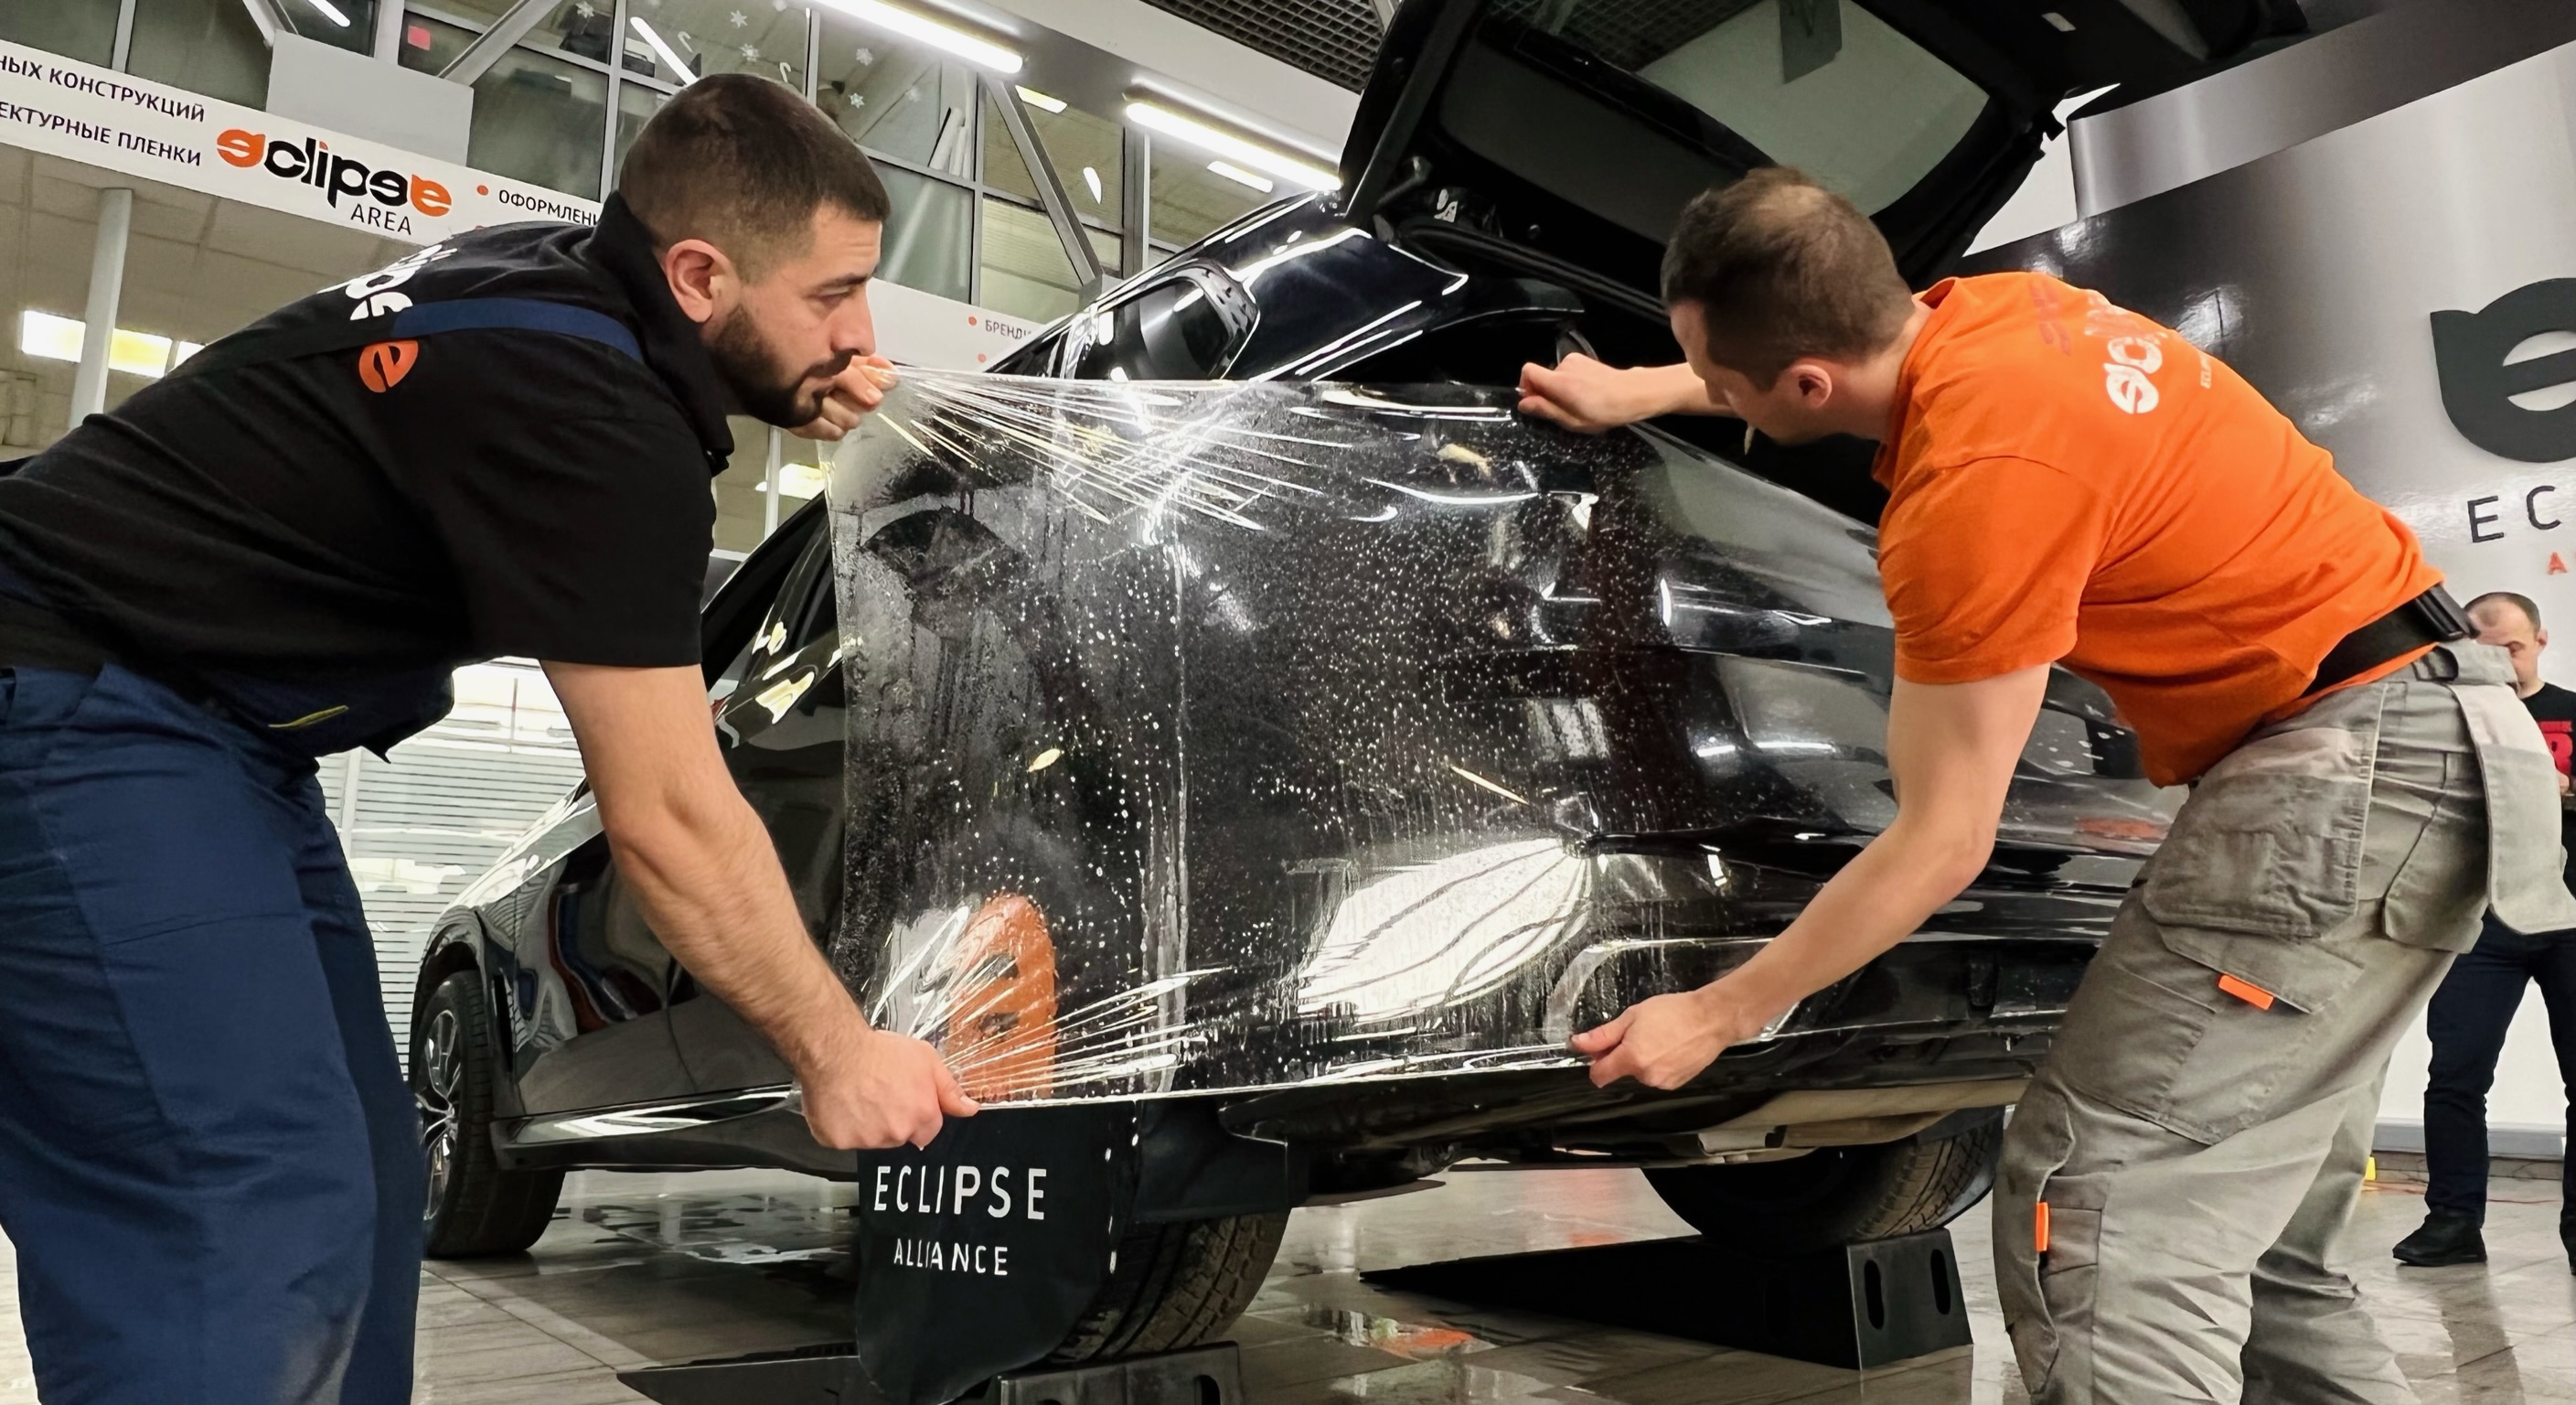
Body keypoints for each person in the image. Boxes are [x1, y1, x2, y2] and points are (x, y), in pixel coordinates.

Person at [1516, 167, 2574, 1403]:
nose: (1717, 390)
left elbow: (1943, 840)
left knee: (2098, 1210)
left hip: (2343, 781)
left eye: (1720, 375)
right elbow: (1793, 360)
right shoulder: (2007, 314)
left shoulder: (1972, 493)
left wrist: (1718, 1011)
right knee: (2264, 1242)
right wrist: (1641, 387)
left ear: (1803, 384)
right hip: (2436, 740)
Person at [0, 75, 974, 1402]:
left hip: (211, 732)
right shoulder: (593, 413)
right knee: (237, 1204)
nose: (861, 336)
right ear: (698, 275)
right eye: (834, 295)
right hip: (67, 703)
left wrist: (781, 370)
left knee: (363, 1174)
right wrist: (839, 1053)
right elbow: (670, 819)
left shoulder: (558, 294)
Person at [2392, 590, 2576, 1271]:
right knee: (2454, 1076)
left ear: (2541, 641)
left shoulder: (2571, 711)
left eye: (2514, 648)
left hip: (2571, 917)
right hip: (2480, 919)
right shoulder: (2448, 720)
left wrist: (2558, 790)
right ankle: (2451, 1222)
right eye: (2485, 650)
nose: (2501, 662)